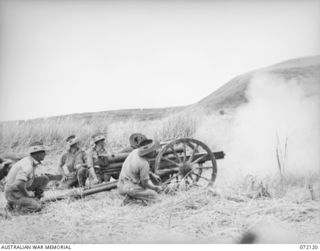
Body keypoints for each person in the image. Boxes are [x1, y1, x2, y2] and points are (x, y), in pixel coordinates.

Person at [4, 142, 49, 214]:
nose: (45, 154)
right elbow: (19, 183)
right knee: (37, 207)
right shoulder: (28, 165)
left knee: (44, 179)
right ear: (37, 154)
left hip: (16, 188)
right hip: (13, 193)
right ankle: (15, 210)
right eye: (43, 152)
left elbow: (26, 179)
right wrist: (28, 194)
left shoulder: (30, 160)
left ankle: (33, 200)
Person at [117, 138, 162, 205]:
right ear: (148, 152)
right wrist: (155, 188)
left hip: (121, 185)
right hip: (130, 188)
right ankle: (133, 200)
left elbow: (137, 168)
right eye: (153, 151)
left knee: (143, 190)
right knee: (154, 196)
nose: (155, 152)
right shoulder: (144, 163)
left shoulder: (135, 152)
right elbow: (145, 183)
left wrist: (152, 174)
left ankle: (134, 197)